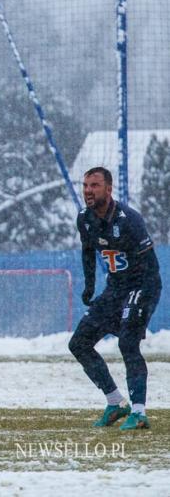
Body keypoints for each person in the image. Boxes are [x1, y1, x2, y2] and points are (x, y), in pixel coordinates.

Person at [69, 166, 162, 431]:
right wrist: (90, 287)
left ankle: (139, 412)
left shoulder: (129, 219)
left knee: (128, 343)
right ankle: (115, 402)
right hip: (115, 288)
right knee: (79, 343)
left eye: (95, 185)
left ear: (108, 189)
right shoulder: (84, 219)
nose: (88, 190)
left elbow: (149, 265)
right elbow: (88, 252)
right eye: (85, 185)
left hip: (143, 285)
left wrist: (137, 301)